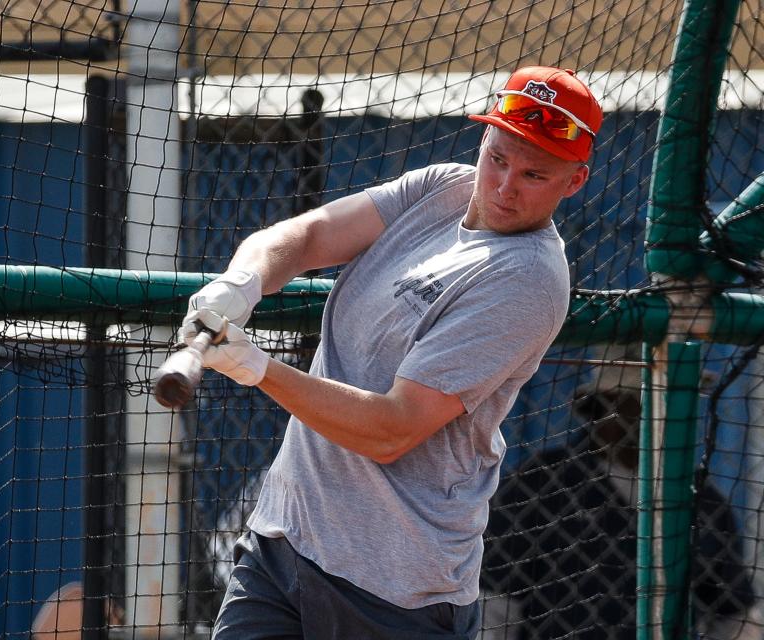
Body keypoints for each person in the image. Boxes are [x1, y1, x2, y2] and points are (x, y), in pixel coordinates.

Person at [178, 66, 603, 639]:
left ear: (573, 182)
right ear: (484, 141)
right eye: (498, 158)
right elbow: (308, 236)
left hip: (390, 588)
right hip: (284, 541)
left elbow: (392, 430)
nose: (504, 186)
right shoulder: (444, 188)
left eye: (534, 174)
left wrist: (258, 370)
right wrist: (244, 281)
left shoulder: (527, 277)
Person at [481, 385, 760, 639]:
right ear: (601, 407)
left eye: (659, 403)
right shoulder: (540, 482)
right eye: (633, 403)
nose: (645, 417)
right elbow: (492, 607)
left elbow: (734, 615)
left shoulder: (699, 498)